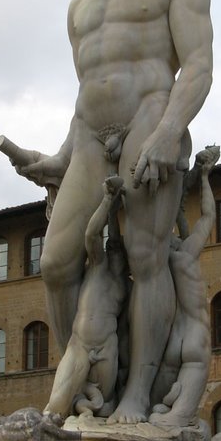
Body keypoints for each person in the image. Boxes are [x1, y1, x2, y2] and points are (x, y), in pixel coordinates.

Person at [9, 0, 213, 424]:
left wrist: (171, 132)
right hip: (92, 138)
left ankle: (136, 396)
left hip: (153, 118)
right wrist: (56, 158)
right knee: (55, 262)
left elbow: (196, 66)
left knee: (146, 257)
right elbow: (87, 94)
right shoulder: (81, 6)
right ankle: (87, 375)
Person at [44, 175, 129, 418]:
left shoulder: (127, 286)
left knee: (104, 407)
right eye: (113, 247)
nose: (114, 249)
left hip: (107, 348)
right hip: (80, 345)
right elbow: (93, 234)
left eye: (118, 249)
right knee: (57, 407)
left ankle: (86, 409)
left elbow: (126, 327)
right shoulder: (98, 265)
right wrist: (109, 201)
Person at [149, 145, 219, 430]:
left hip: (169, 342)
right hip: (194, 336)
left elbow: (177, 217)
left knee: (153, 415)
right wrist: (204, 177)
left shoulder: (156, 261)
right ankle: (177, 414)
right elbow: (208, 217)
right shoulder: (187, 254)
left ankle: (163, 409)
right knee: (176, 422)